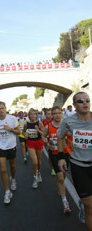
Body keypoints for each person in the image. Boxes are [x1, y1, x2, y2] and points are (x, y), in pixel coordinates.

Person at [57, 92, 92, 230]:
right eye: (80, 101)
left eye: (87, 100)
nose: (85, 103)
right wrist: (61, 157)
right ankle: (85, 207)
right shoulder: (68, 121)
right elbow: (60, 137)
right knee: (90, 207)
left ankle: (84, 205)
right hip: (79, 166)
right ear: (74, 106)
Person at [42, 106, 71, 213]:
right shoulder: (48, 127)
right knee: (59, 177)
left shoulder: (67, 126)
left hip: (65, 153)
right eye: (54, 113)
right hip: (54, 154)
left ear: (62, 114)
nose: (57, 115)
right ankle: (65, 202)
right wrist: (46, 143)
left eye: (59, 113)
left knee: (63, 176)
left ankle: (60, 187)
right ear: (51, 115)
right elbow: (43, 136)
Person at [0, 101, 20, 204]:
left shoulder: (12, 119)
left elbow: (18, 132)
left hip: (11, 146)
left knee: (12, 166)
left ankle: (13, 178)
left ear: (5, 108)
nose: (1, 110)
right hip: (0, 146)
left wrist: (10, 129)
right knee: (3, 169)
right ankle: (7, 192)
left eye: (2, 108)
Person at [22, 108, 44, 189]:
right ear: (28, 115)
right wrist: (25, 135)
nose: (32, 116)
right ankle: (35, 177)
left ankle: (39, 173)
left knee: (39, 161)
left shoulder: (39, 123)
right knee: (34, 162)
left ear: (36, 115)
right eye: (31, 114)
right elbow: (23, 132)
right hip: (30, 143)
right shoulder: (26, 124)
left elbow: (44, 134)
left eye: (34, 114)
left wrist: (38, 130)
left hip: (38, 143)